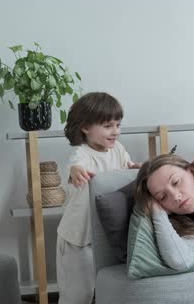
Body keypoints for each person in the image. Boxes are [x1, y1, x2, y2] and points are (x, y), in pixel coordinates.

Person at [56, 92, 141, 304]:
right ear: (85, 127)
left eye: (118, 125)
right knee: (77, 295)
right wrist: (76, 172)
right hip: (78, 238)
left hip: (102, 236)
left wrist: (134, 169)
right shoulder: (81, 154)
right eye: (108, 126)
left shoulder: (118, 149)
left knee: (104, 289)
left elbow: (125, 169)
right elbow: (75, 167)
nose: (115, 132)